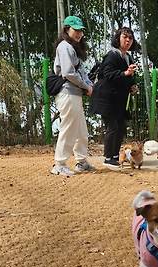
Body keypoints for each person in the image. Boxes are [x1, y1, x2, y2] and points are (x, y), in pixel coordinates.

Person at [50, 15, 96, 176]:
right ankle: (59, 164)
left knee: (81, 130)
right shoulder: (64, 46)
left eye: (80, 31)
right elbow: (69, 73)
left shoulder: (73, 48)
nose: (79, 34)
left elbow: (80, 72)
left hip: (74, 93)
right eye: (75, 30)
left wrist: (89, 85)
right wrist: (86, 86)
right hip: (67, 92)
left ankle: (81, 161)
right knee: (69, 128)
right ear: (67, 29)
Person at [90, 27, 140, 170]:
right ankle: (108, 158)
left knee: (121, 127)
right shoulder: (112, 55)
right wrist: (125, 73)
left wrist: (133, 86)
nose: (128, 40)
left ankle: (115, 157)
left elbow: (129, 77)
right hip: (107, 98)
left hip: (119, 99)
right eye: (125, 37)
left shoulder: (128, 57)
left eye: (130, 38)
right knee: (112, 127)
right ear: (118, 38)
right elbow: (107, 74)